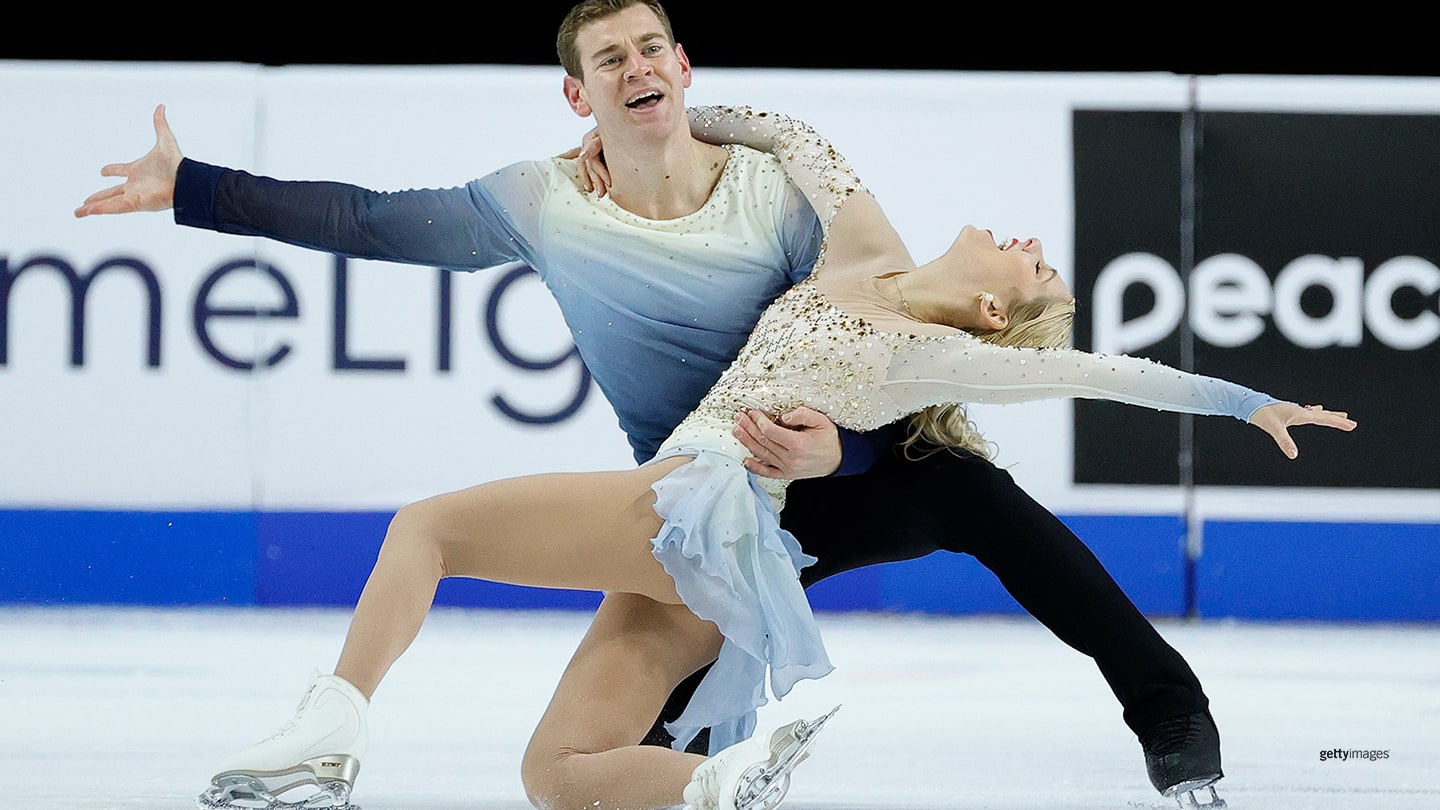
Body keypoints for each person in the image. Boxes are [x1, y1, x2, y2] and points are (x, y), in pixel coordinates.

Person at [72, 4, 1352, 808]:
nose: (1022, 240)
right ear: (584, 91)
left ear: (989, 315)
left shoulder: (856, 270)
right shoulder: (690, 206)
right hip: (702, 518)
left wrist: (1247, 405)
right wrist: (198, 189)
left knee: (432, 526)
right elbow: (367, 219)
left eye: (653, 55)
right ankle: (719, 780)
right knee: (554, 778)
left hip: (754, 491)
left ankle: (327, 734)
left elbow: (1087, 371)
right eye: (614, 62)